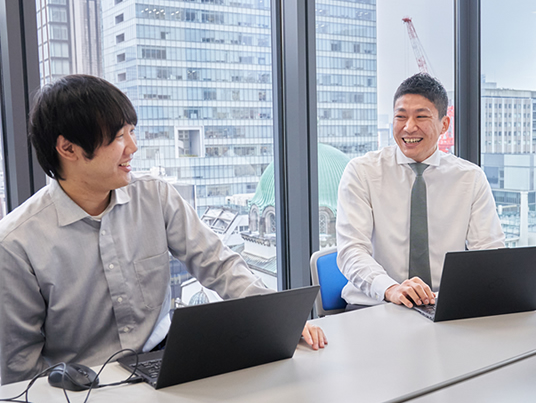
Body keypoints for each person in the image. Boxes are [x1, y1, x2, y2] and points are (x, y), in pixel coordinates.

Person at [0, 75, 326, 384]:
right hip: (83, 387)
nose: (133, 147)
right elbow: (20, 367)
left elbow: (218, 264)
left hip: (166, 363)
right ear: (68, 148)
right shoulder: (16, 243)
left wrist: (276, 322)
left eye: (131, 131)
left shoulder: (155, 195)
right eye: (117, 137)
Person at [336, 73, 505, 310]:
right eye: (400, 117)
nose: (409, 127)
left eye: (421, 117)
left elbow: (489, 253)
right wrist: (390, 289)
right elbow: (351, 250)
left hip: (445, 305)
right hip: (376, 304)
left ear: (444, 125)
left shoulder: (470, 178)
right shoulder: (362, 172)